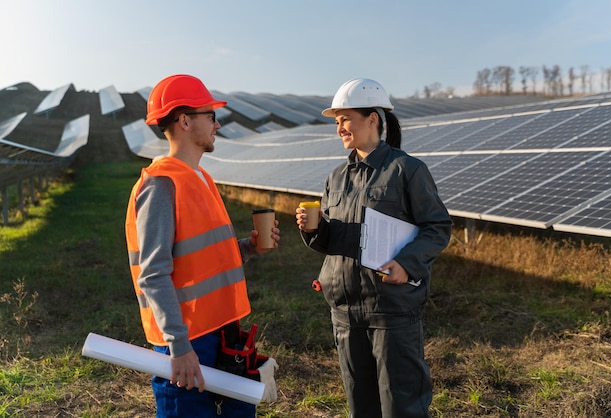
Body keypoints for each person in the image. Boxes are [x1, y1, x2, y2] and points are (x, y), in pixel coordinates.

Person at [125, 74, 280, 417]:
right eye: (209, 116)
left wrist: (249, 248)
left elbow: (202, 256)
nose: (217, 123)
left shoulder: (201, 178)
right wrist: (178, 347)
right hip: (187, 339)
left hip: (220, 329)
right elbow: (153, 274)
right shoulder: (161, 185)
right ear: (183, 121)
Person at [295, 78, 451, 418]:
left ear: (373, 119)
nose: (339, 128)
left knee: (401, 405)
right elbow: (332, 242)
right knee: (360, 405)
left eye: (345, 118)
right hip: (345, 312)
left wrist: (407, 263)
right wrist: (315, 230)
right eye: (336, 121)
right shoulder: (336, 178)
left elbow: (437, 227)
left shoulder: (407, 170)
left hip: (391, 311)